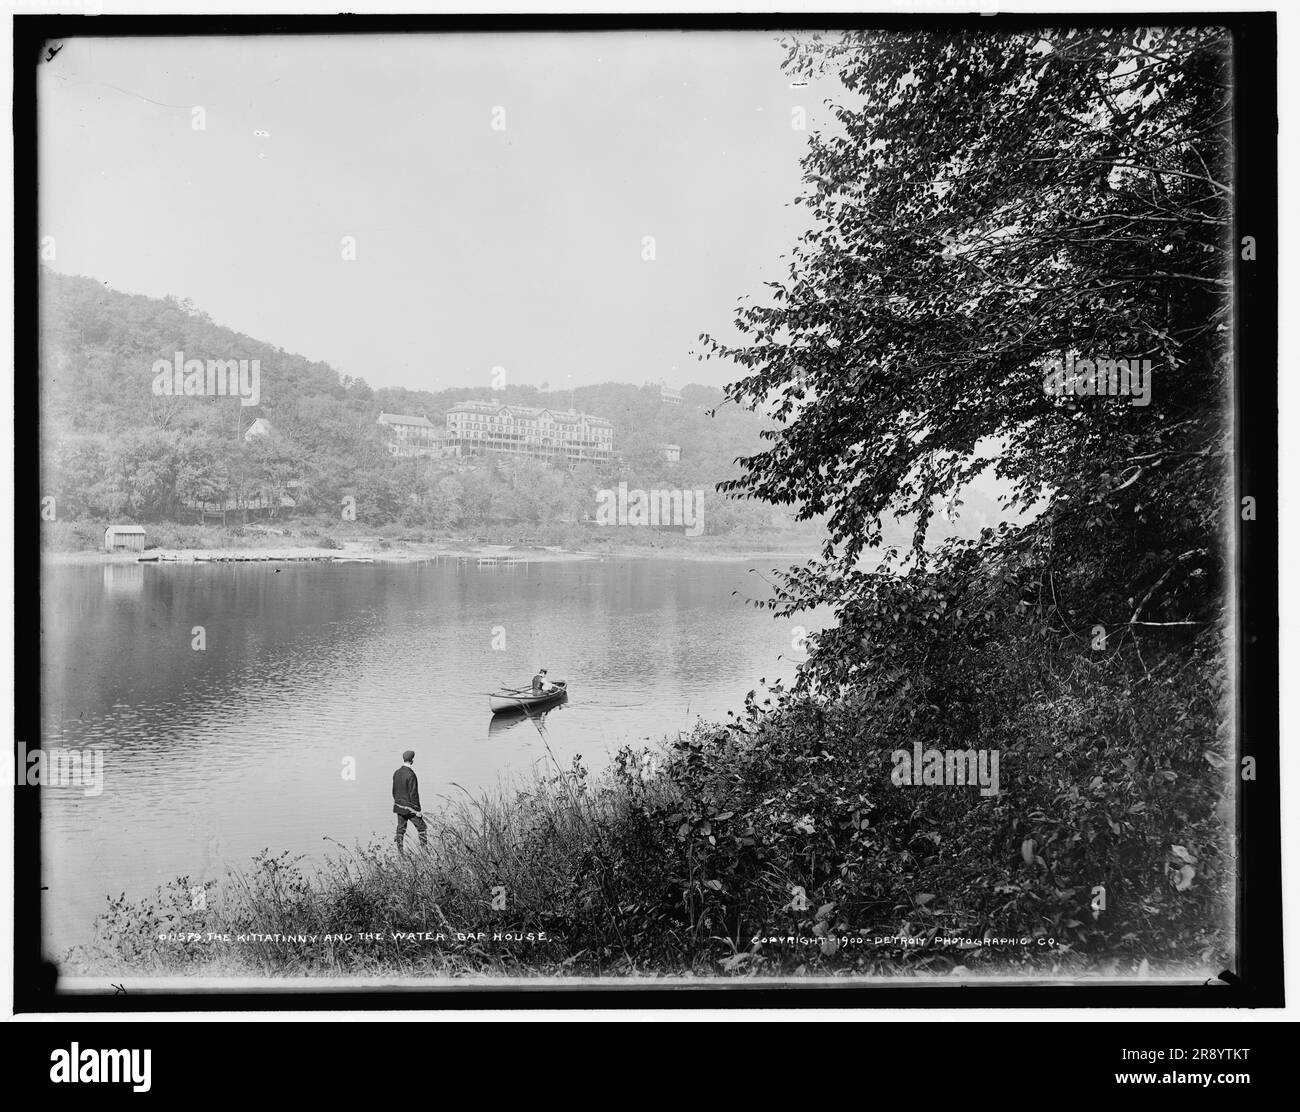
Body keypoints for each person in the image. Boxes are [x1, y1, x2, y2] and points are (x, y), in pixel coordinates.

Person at [392, 749, 427, 852]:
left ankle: (400, 853)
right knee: (422, 828)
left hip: (398, 806)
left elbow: (394, 791)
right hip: (410, 808)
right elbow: (414, 794)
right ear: (412, 761)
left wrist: (398, 802)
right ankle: (425, 852)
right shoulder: (411, 775)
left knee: (400, 830)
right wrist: (417, 810)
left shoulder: (397, 773)